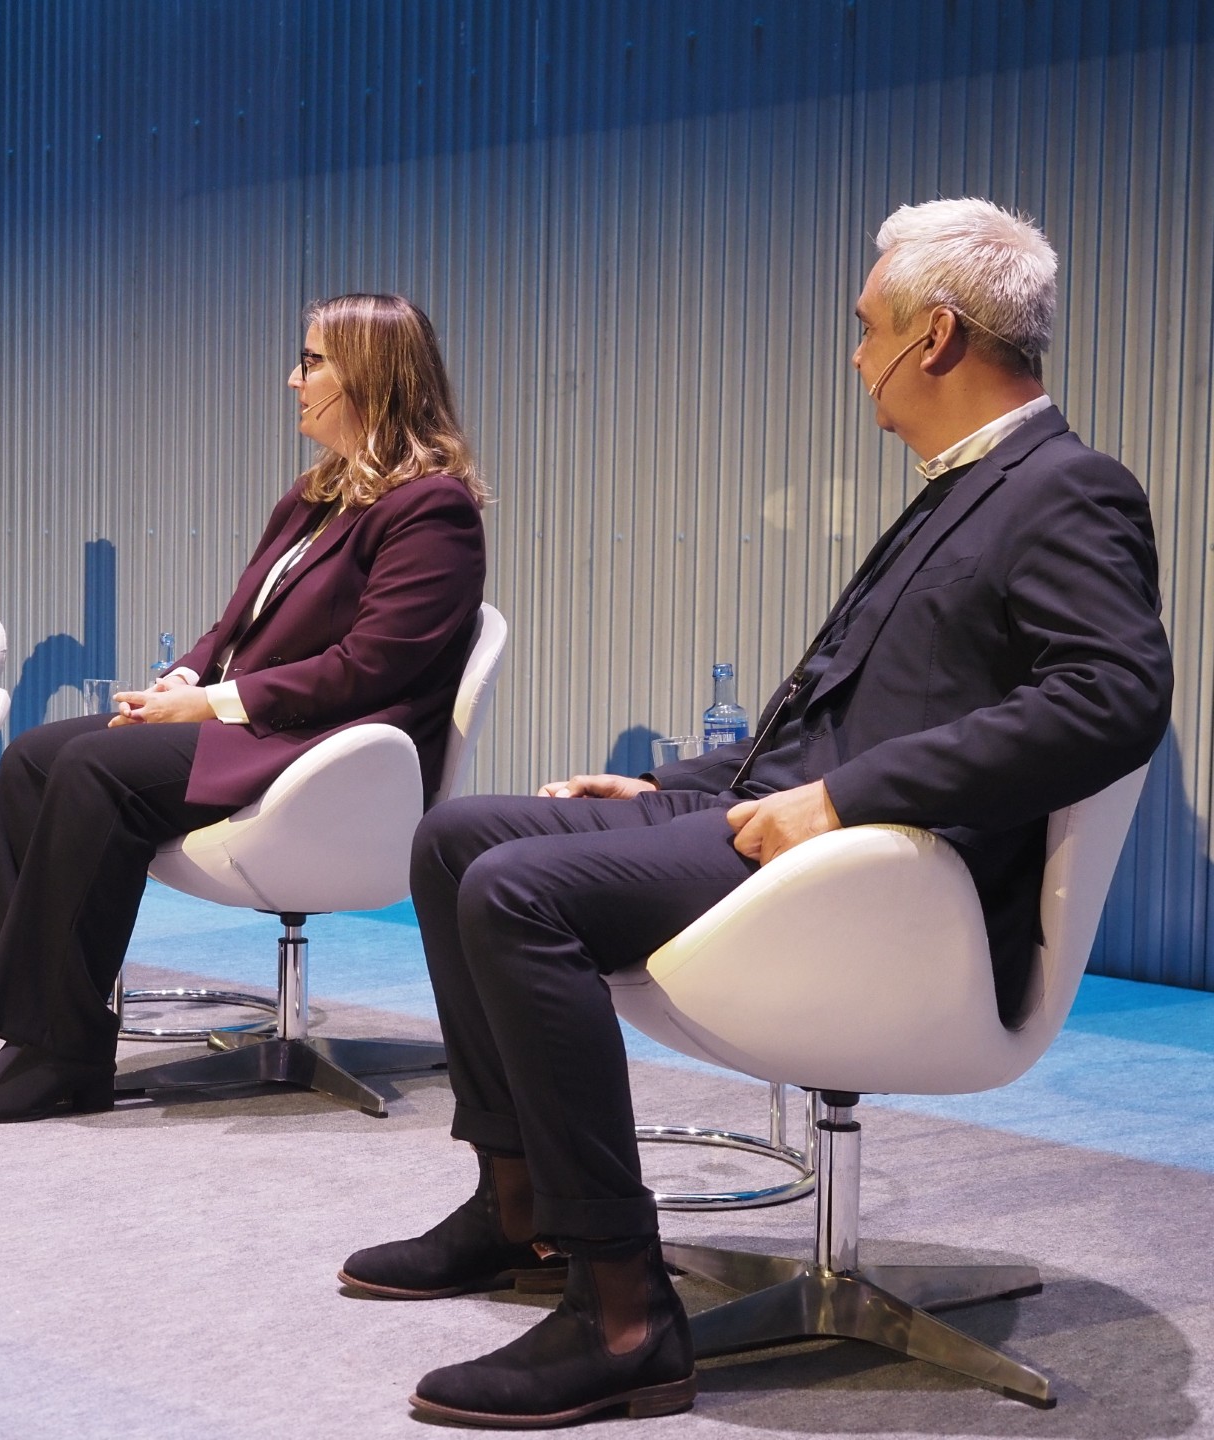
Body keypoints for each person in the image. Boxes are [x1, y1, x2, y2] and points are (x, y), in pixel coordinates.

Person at [343, 198, 1173, 1428]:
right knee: (456, 835)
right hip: (805, 839)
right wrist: (677, 786)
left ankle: (623, 1314)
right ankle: (517, 1211)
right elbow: (842, 723)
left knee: (516, 893)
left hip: (894, 891)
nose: (855, 358)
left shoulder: (1063, 488)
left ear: (933, 336)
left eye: (866, 327)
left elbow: (1113, 700)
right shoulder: (965, 489)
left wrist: (841, 800)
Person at [0, 293, 489, 1122]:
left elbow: (371, 667)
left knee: (94, 771)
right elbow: (235, 626)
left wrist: (216, 705)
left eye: (312, 362)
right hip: (262, 723)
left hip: (330, 752)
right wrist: (185, 682)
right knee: (36, 756)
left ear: (368, 375)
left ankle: (66, 1054)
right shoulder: (314, 495)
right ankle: (26, 1034)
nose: (292, 380)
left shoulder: (431, 510)